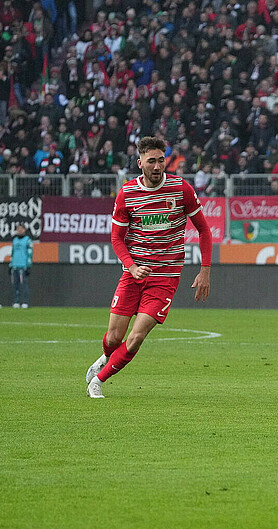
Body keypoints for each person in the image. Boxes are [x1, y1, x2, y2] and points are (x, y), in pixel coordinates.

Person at [84, 136, 214, 398]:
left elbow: (203, 230)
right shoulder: (127, 194)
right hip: (133, 275)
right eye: (151, 161)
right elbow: (116, 238)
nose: (157, 166)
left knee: (136, 337)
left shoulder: (181, 189)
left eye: (161, 160)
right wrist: (131, 267)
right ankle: (105, 359)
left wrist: (205, 271)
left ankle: (98, 380)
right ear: (140, 162)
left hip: (165, 277)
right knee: (113, 339)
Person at [9, 224, 33, 308]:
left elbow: (30, 253)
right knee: (15, 285)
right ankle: (16, 301)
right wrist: (10, 264)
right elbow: (12, 253)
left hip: (23, 265)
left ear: (24, 230)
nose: (19, 230)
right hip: (15, 265)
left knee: (24, 285)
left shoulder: (27, 240)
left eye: (21, 229)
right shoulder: (14, 240)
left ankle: (25, 302)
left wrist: (29, 265)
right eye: (18, 229)